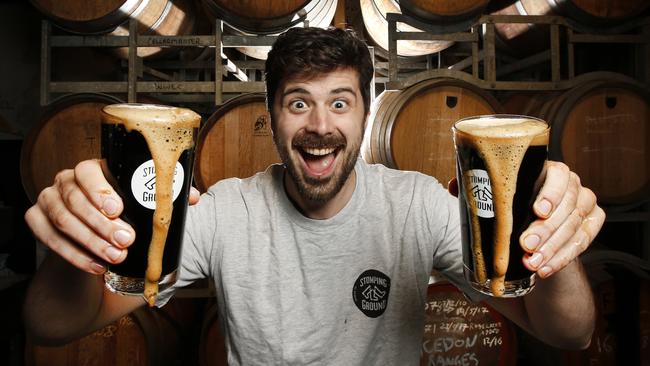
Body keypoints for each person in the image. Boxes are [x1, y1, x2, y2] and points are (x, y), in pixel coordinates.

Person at [23, 27, 605, 365]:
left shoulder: (417, 205)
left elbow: (569, 332)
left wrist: (554, 244)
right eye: (299, 102)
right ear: (272, 119)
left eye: (341, 102)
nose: (320, 124)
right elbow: (52, 323)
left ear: (365, 115)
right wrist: (79, 243)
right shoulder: (225, 210)